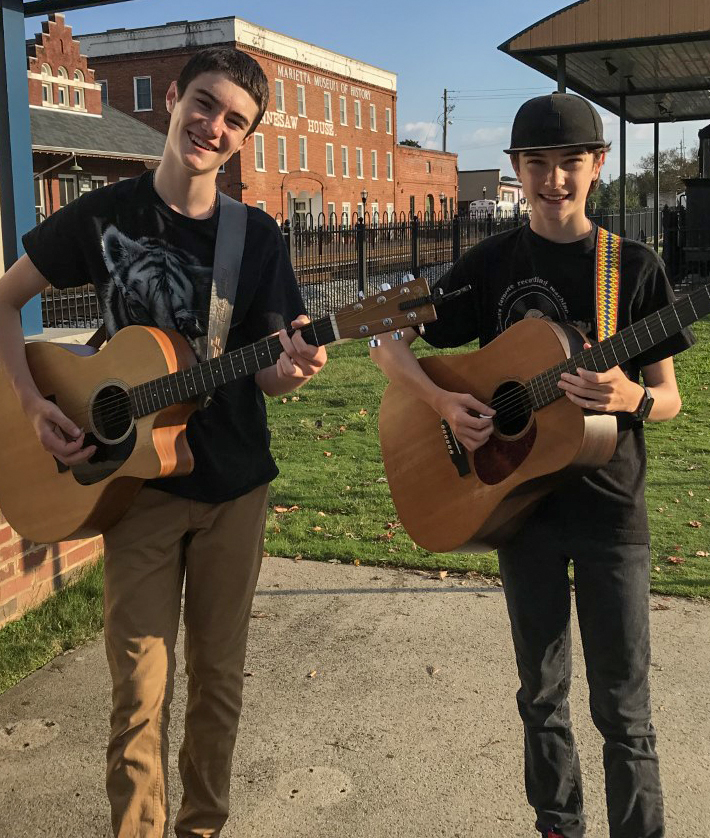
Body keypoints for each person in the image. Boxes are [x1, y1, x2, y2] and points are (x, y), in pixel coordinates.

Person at [0, 47, 326, 838]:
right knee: (138, 693)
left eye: (235, 122)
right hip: (133, 489)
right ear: (174, 98)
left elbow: (272, 374)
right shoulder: (102, 213)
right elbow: (5, 303)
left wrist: (296, 368)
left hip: (234, 485)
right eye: (205, 105)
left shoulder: (256, 237)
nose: (213, 127)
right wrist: (32, 400)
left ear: (247, 139)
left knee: (217, 683)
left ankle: (202, 828)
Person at [370, 92, 693, 838]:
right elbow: (386, 338)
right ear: (517, 169)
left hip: (613, 511)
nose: (554, 181)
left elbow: (669, 398)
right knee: (540, 693)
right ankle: (558, 825)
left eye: (570, 163)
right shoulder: (489, 264)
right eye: (538, 165)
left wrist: (628, 396)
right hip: (520, 511)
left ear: (597, 166)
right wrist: (444, 405)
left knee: (624, 706)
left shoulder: (632, 268)